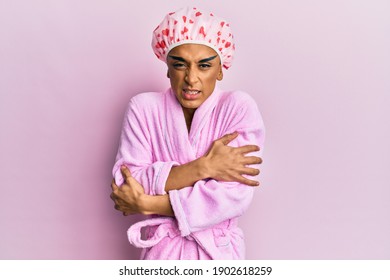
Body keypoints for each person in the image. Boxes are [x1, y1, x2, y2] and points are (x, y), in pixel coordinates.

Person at [110, 6, 265, 260]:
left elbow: (234, 195)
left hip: (218, 255)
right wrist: (204, 168)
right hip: (163, 255)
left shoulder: (237, 108)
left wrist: (148, 203)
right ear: (168, 67)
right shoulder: (143, 108)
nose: (191, 79)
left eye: (204, 66)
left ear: (220, 69)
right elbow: (128, 183)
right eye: (180, 64)